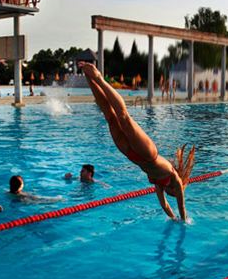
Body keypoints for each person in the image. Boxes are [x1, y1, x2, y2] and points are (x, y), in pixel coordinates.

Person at [79, 62, 195, 221]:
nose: (174, 196)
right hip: (148, 153)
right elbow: (181, 206)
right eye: (175, 195)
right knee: (124, 117)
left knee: (111, 118)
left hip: (132, 155)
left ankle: (89, 77)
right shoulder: (176, 181)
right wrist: (183, 220)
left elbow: (165, 205)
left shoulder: (160, 185)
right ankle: (98, 78)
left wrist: (173, 219)